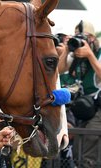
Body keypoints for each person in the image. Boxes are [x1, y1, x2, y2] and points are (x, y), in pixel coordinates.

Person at [57, 20, 101, 167]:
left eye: (83, 37)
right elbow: (59, 70)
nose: (79, 40)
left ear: (92, 39)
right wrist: (67, 51)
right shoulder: (75, 52)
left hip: (98, 105)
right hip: (82, 105)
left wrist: (90, 55)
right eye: (76, 36)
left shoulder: (98, 52)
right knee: (76, 144)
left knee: (89, 137)